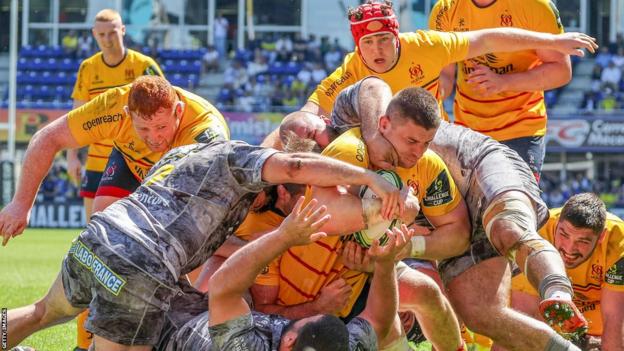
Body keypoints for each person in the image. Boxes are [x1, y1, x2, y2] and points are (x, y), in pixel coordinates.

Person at [280, 77, 588, 350]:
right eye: (412, 142)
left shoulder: (360, 125)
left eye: (312, 128)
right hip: (442, 208)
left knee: (509, 230)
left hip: (482, 162)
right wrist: (395, 245)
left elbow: (373, 85)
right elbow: (329, 209)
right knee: (480, 314)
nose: (417, 151)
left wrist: (375, 139)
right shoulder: (344, 154)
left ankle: (557, 291)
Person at [5, 139, 405, 350]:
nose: (288, 204)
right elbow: (297, 165)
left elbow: (377, 322)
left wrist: (385, 263)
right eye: (289, 196)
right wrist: (371, 180)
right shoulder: (242, 159)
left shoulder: (182, 155)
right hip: (142, 269)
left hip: (101, 238)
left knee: (44, 312)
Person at [263, 0, 598, 171]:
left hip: (475, 137)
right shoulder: (352, 68)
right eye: (368, 43)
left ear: (396, 35)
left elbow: (489, 38)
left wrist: (549, 42)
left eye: (384, 39)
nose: (377, 50)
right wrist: (263, 157)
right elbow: (305, 113)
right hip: (431, 138)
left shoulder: (426, 45)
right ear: (357, 46)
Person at [0, 75, 229, 247]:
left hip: (181, 182)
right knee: (99, 235)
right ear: (128, 114)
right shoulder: (113, 107)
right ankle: (90, 308)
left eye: (161, 127)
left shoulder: (206, 130)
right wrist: (21, 204)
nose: (154, 138)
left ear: (178, 111)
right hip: (130, 162)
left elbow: (207, 197)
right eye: (143, 129)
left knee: (186, 245)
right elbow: (46, 138)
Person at [159, 199, 413, 351]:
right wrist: (386, 264)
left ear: (290, 340)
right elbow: (379, 320)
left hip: (171, 333)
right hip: (209, 315)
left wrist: (283, 237)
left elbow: (224, 286)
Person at [65, 11, 164, 348]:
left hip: (135, 164)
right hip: (97, 164)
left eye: (112, 33)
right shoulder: (88, 68)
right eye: (101, 34)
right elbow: (77, 112)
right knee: (96, 246)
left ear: (123, 30)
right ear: (94, 34)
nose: (107, 39)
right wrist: (70, 155)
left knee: (135, 247)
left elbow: (165, 102)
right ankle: (89, 334)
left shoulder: (143, 65)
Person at [431, 0, 585, 181]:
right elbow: (446, 75)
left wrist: (503, 82)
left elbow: (561, 71)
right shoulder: (445, 9)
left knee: (516, 205)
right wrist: (429, 93)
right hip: (468, 130)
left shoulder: (536, 6)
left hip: (521, 128)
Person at [511, 193, 624, 351]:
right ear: (557, 224)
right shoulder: (537, 231)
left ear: (601, 237)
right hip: (552, 321)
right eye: (564, 235)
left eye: (582, 241)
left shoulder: (618, 239)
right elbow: (524, 314)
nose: (569, 250)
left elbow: (614, 318)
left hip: (601, 323)